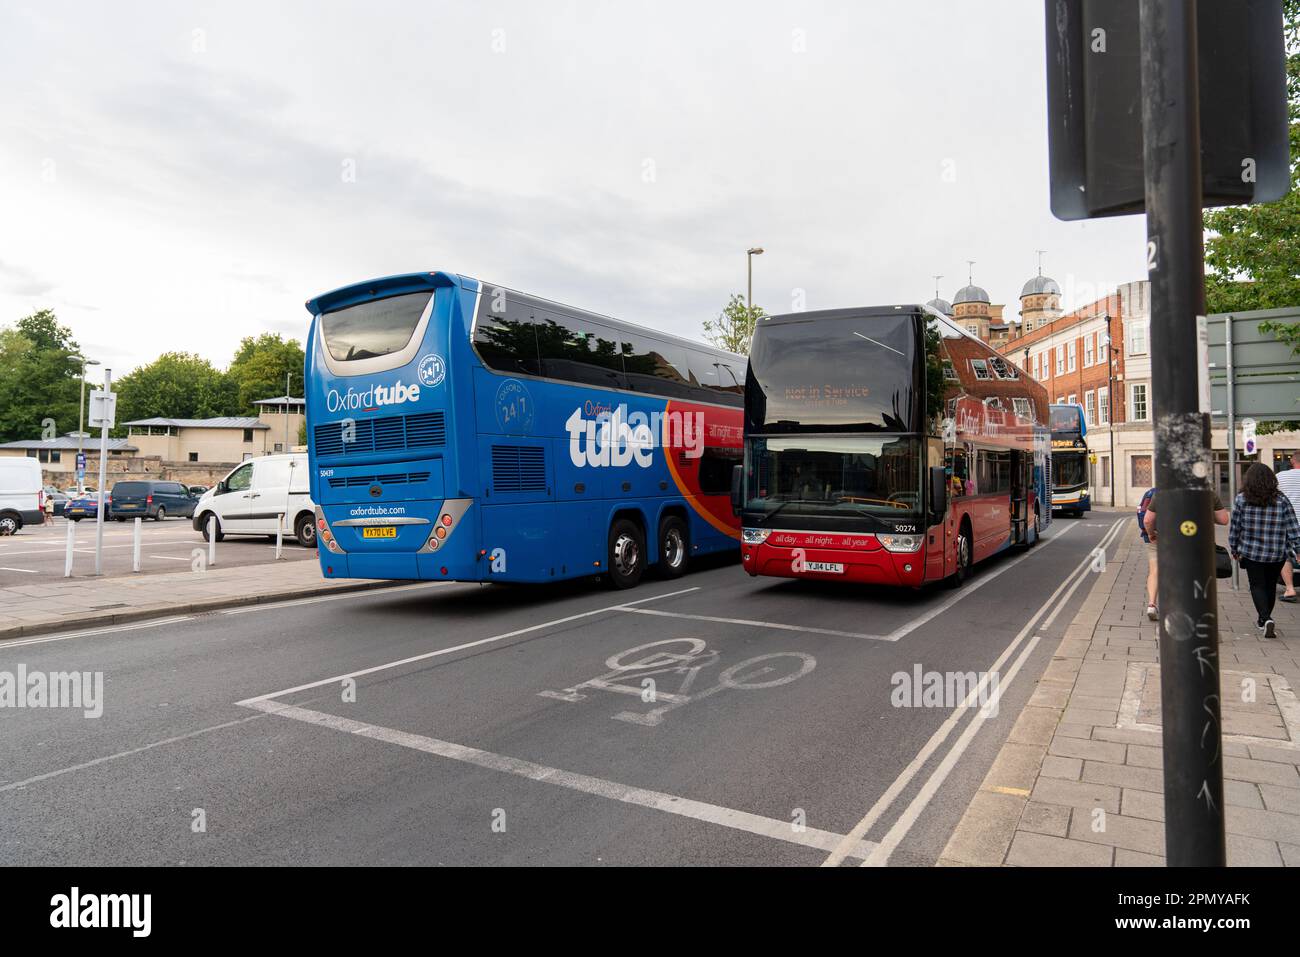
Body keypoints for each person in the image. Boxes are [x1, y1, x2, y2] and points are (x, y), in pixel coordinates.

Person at [1230, 463, 1300, 638]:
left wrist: (1234, 547)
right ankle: (1265, 617)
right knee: (1269, 585)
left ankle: (1265, 618)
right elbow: (1293, 527)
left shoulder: (1241, 499)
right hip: (1277, 553)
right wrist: (1298, 548)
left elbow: (1235, 527)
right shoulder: (1282, 500)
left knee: (1257, 585)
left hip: (1251, 552)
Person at [1140, 486, 1230, 621]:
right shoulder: (1207, 493)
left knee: (1161, 572)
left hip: (1168, 540)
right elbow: (1224, 520)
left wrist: (1151, 534)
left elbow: (1147, 520)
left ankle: (1156, 605)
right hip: (1198, 542)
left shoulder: (1162, 492)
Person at [1276, 451, 1300, 603]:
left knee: (1286, 556)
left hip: (1287, 523)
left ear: (1292, 461)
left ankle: (1290, 589)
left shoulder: (1280, 477)